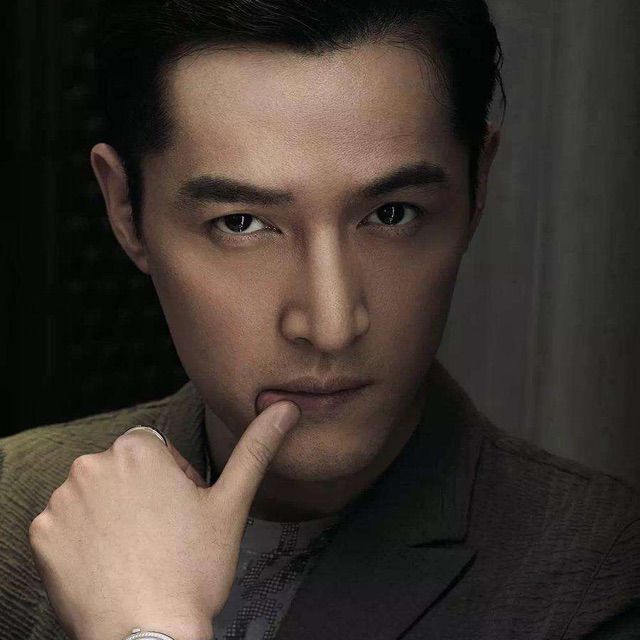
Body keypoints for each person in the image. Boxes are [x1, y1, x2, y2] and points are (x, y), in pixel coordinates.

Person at [1, 1, 638, 639]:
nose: (331, 326)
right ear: (124, 211)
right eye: (242, 223)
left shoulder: (604, 576)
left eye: (392, 214)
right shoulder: (12, 504)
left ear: (478, 189)